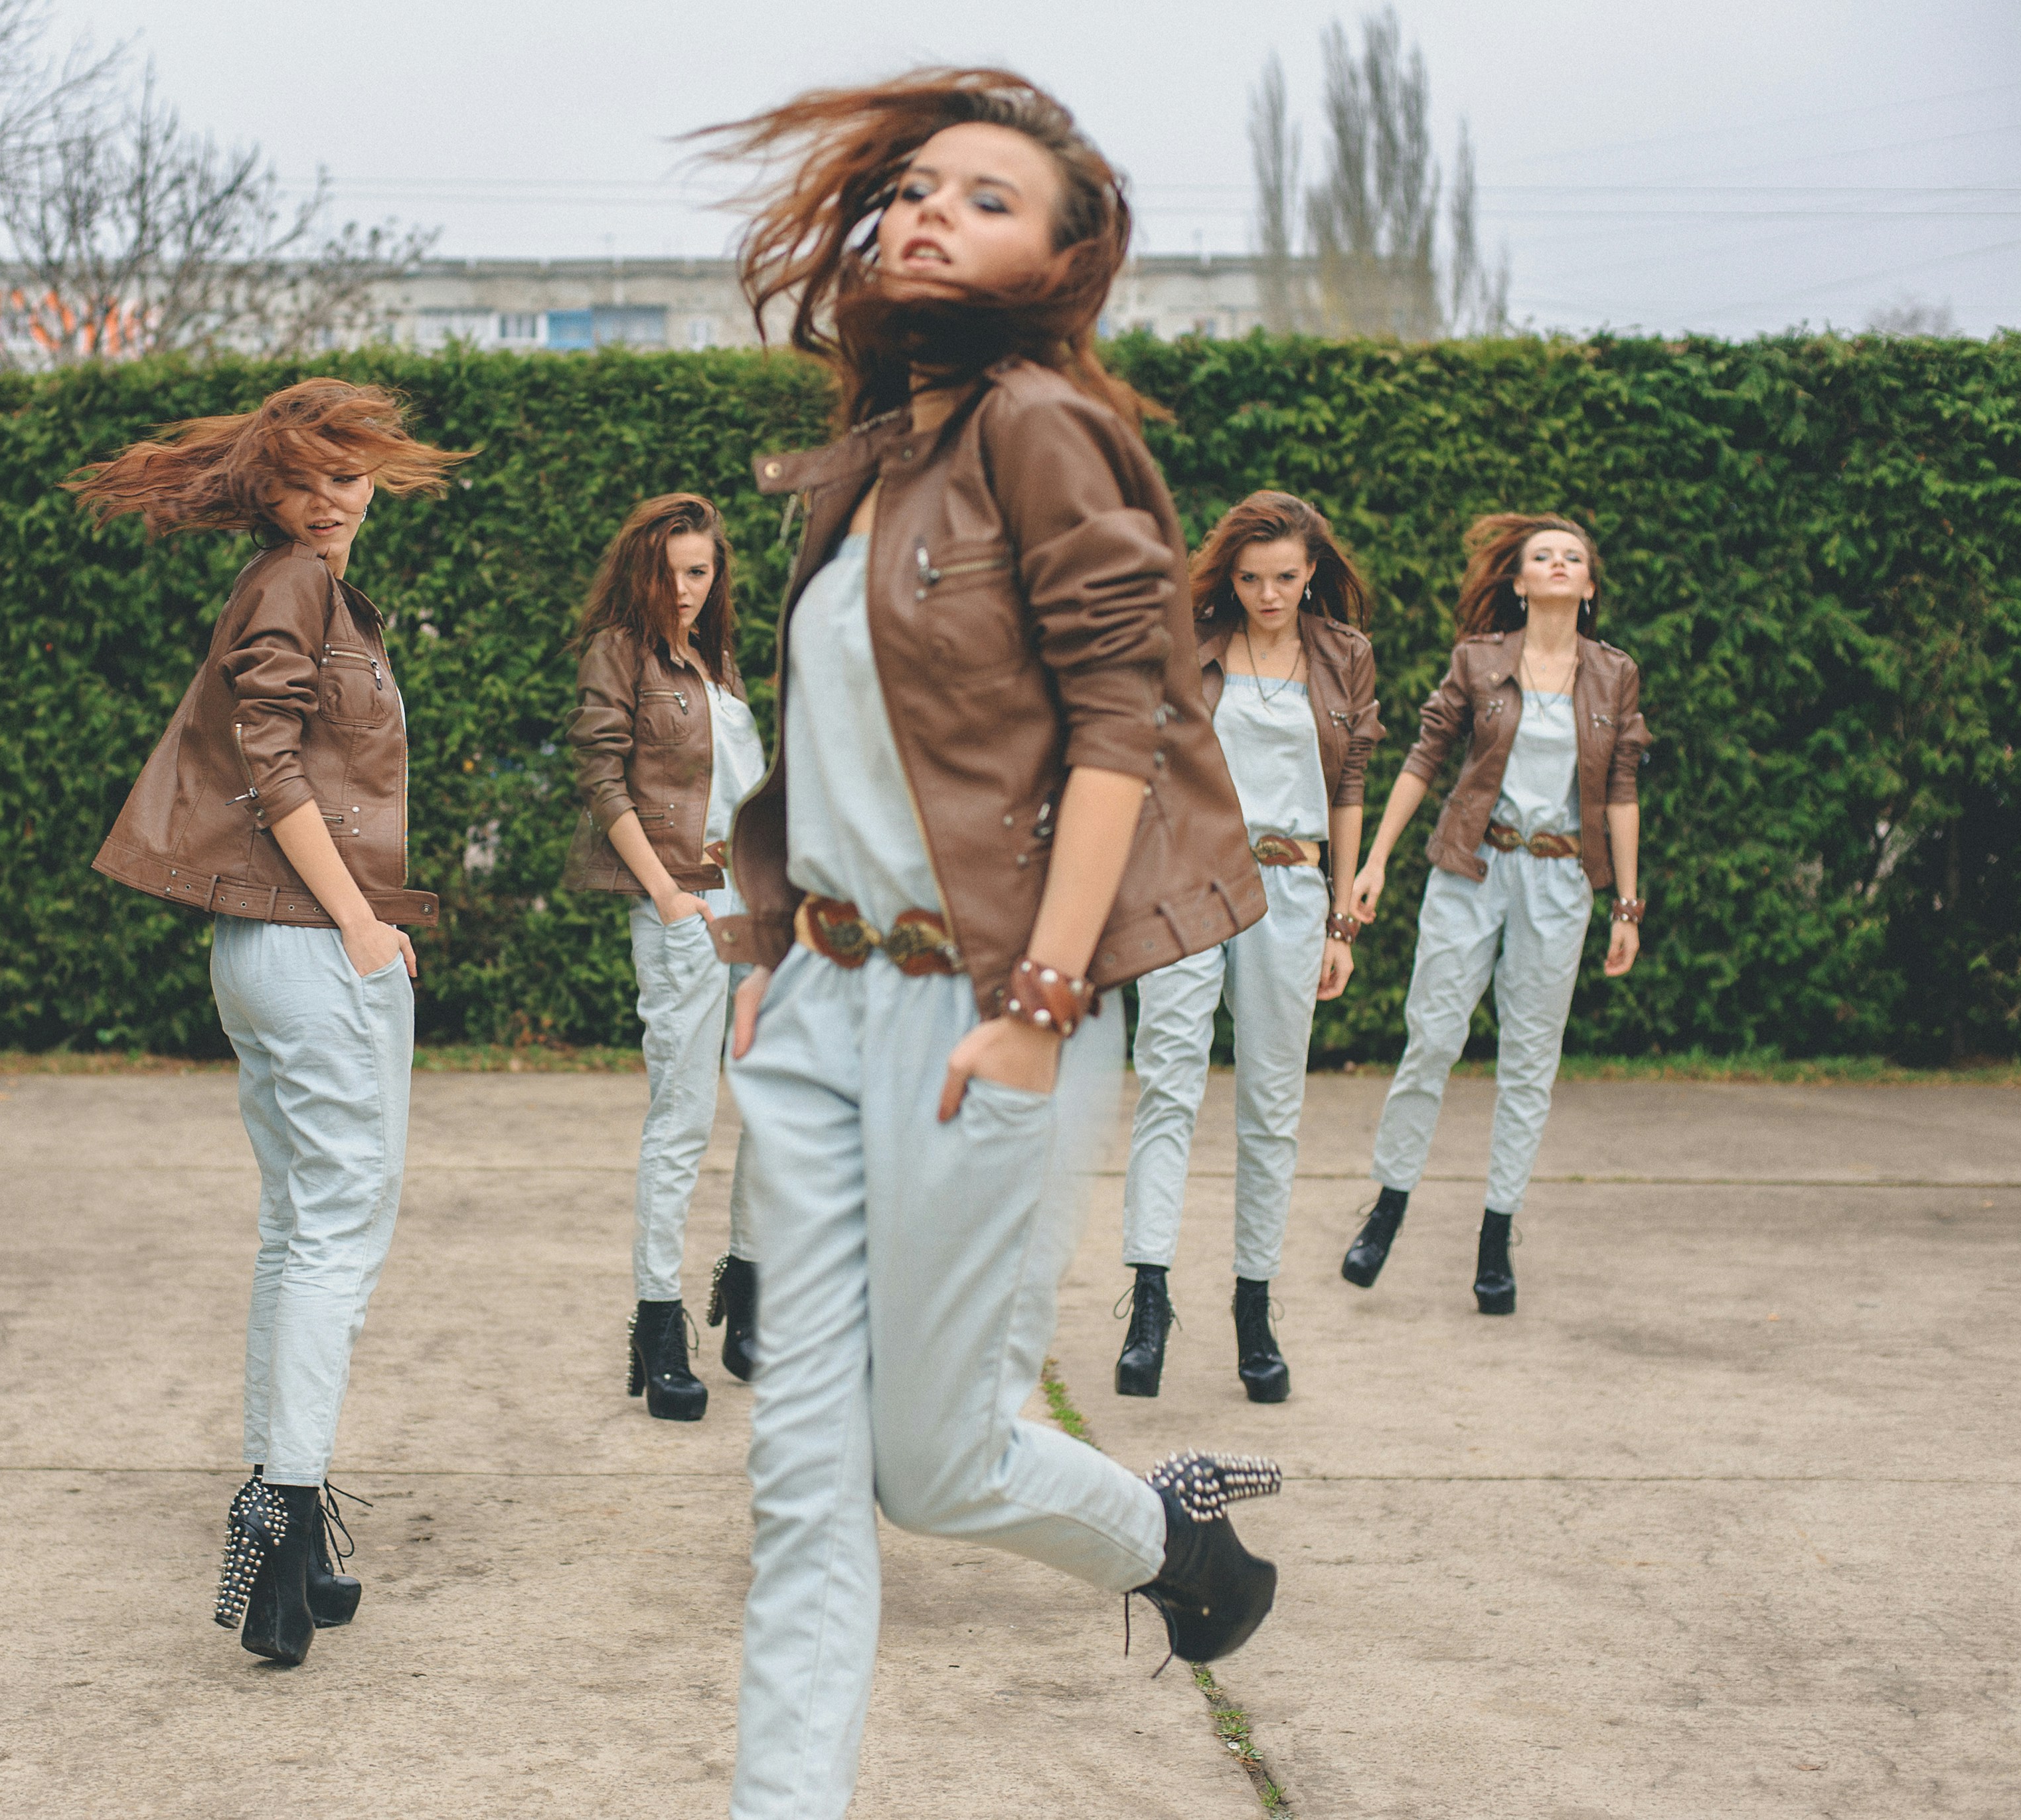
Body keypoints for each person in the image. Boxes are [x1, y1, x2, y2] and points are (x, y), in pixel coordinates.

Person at [694, 68, 1286, 1819]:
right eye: (915, 186)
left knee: (936, 1464)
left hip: (985, 1005)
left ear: (1059, 255)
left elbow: (1127, 719)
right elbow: (832, 738)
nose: (929, 211)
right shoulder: (867, 458)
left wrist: (1040, 996)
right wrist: (760, 948)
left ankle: (1158, 1533)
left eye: (987, 195)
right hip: (818, 1006)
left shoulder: (1040, 425)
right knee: (801, 1482)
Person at [66, 378, 471, 1668]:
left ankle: (283, 1545)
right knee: (339, 1231)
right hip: (307, 944)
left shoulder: (301, 584)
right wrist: (361, 919)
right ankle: (278, 1524)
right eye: (314, 477)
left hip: (265, 946)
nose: (339, 500)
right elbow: (272, 760)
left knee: (304, 1230)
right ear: (274, 488)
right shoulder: (293, 582)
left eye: (353, 475)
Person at [1342, 513, 1651, 1315]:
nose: (1557, 564)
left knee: (1529, 1061)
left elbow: (1622, 788)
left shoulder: (1615, 675)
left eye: (1572, 557)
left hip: (1560, 882)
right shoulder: (1477, 662)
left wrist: (1626, 901)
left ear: (1588, 586)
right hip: (1472, 868)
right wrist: (1374, 860)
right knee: (1434, 1037)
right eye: (1541, 555)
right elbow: (1425, 757)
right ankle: (1387, 1205)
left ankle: (1494, 1237)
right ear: (1517, 582)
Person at [1113, 491, 1377, 1404]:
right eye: (1251, 578)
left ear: (1312, 575)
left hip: (1293, 886)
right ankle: (1149, 1302)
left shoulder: (1344, 657)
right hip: (1192, 875)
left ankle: (1252, 1307)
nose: (1269, 594)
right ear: (1228, 575)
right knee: (1168, 1085)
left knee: (1271, 1107)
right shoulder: (1190, 645)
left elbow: (1349, 784)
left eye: (1286, 578)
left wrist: (1343, 914)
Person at [564, 494, 769, 1418]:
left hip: (752, 904)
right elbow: (602, 774)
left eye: (701, 570)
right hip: (681, 901)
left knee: (775, 1098)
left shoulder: (716, 663)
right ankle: (658, 1322)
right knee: (682, 1116)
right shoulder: (621, 651)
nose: (686, 588)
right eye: (671, 570)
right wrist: (667, 895)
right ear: (641, 567)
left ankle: (753, 1287)